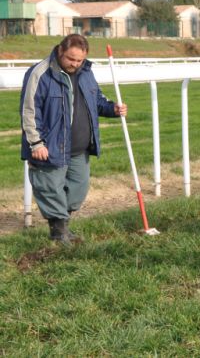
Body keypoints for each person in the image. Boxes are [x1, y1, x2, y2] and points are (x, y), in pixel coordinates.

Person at [20, 34, 127, 244]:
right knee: (50, 188)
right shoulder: (40, 73)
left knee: (78, 189)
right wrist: (36, 142)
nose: (75, 64)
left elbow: (96, 100)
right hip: (50, 146)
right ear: (60, 50)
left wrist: (113, 108)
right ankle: (59, 233)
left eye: (79, 60)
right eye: (71, 59)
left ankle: (62, 226)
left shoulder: (86, 72)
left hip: (80, 147)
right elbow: (29, 111)